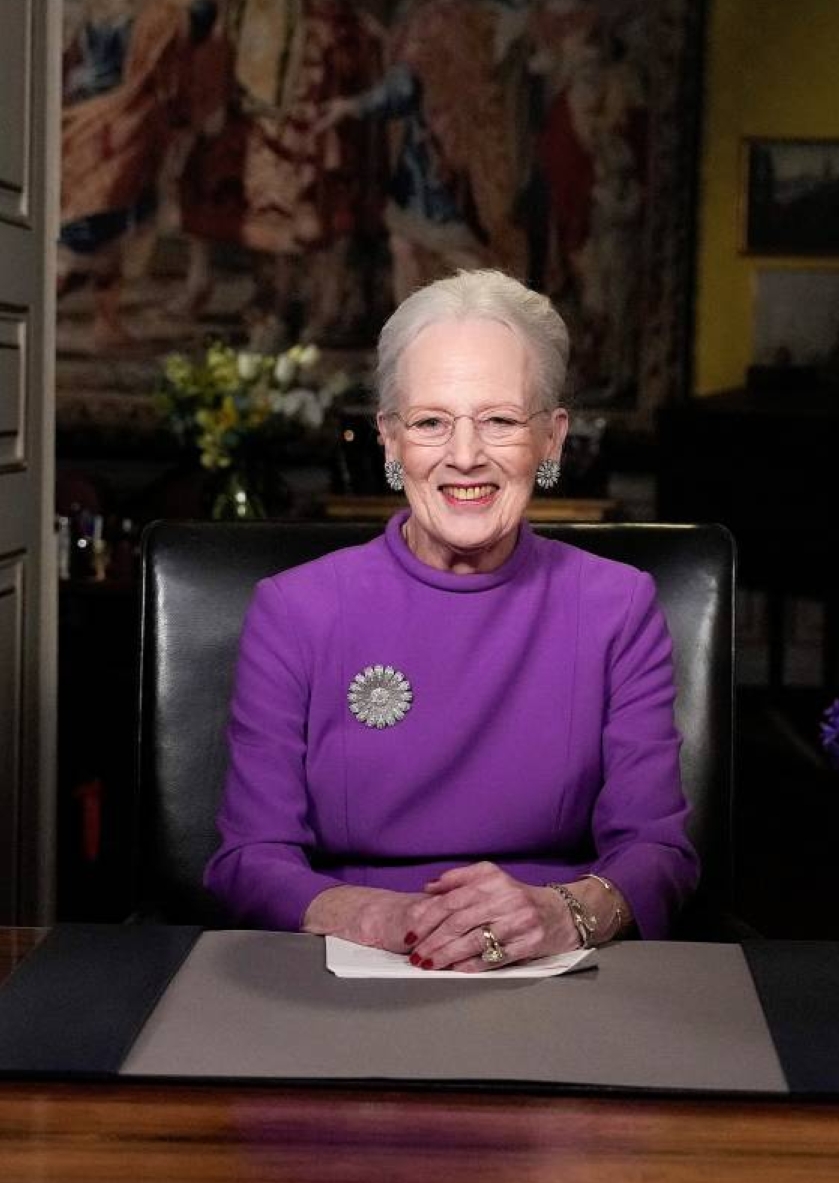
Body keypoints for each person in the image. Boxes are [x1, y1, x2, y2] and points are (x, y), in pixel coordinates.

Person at [203, 268, 698, 968]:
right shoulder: (295, 609)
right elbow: (249, 859)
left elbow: (659, 852)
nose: (465, 457)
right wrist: (395, 920)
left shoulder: (618, 605)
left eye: (499, 420)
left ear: (551, 439)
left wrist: (560, 912)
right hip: (348, 969)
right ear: (389, 440)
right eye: (432, 422)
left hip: (556, 972)